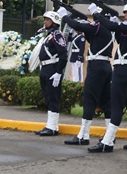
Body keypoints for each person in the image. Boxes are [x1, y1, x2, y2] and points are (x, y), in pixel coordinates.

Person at [87, 0, 127, 154]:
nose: (124, 15)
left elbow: (113, 27)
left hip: (122, 70)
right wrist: (116, 22)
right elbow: (120, 38)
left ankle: (107, 142)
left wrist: (96, 14)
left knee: (116, 107)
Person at [61, 8, 113, 146]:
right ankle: (110, 136)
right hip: (105, 66)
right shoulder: (107, 29)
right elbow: (89, 34)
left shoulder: (100, 27)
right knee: (106, 102)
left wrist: (65, 17)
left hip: (96, 67)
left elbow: (77, 26)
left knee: (89, 100)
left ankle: (83, 135)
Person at [34, 8, 68, 136]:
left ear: (54, 22)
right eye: (45, 19)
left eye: (48, 20)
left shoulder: (57, 35)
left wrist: (59, 72)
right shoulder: (49, 35)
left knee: (53, 97)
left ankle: (53, 127)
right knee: (47, 97)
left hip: (52, 69)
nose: (45, 22)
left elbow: (63, 55)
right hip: (45, 69)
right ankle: (50, 125)